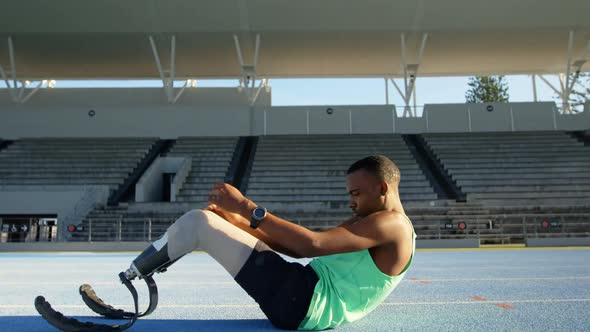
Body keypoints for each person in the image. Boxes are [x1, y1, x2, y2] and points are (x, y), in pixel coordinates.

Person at [162, 155, 415, 330]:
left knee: (198, 223)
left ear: (382, 188)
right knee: (206, 223)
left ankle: (132, 275)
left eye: (356, 194)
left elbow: (311, 244)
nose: (351, 202)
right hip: (299, 299)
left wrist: (245, 206)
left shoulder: (393, 224)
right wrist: (237, 223)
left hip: (302, 301)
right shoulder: (371, 222)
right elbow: (297, 248)